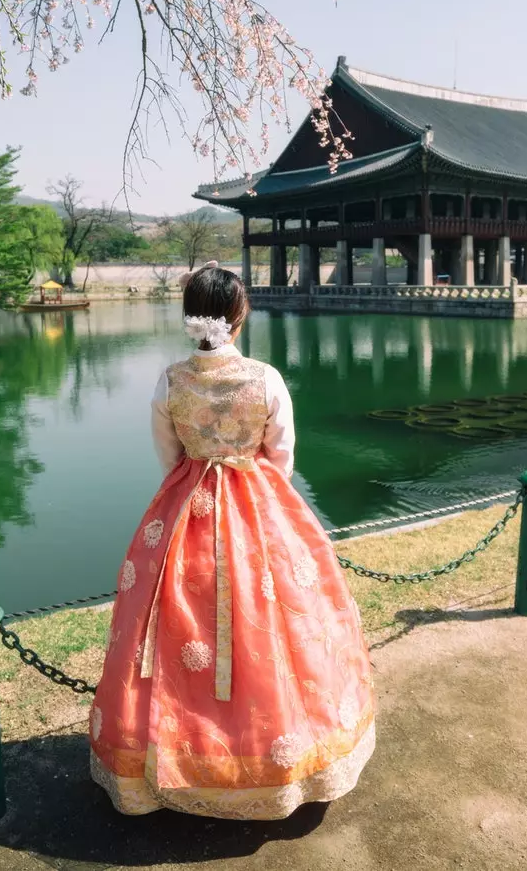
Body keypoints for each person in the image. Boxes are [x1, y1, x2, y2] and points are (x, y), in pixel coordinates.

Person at [87, 262, 376, 819]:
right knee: (275, 621)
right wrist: (256, 490)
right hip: (258, 499)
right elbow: (283, 454)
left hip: (184, 504)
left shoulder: (169, 380)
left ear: (189, 317)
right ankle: (277, 753)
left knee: (169, 626)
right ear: (239, 317)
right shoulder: (265, 378)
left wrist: (196, 481)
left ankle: (167, 753)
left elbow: (168, 453)